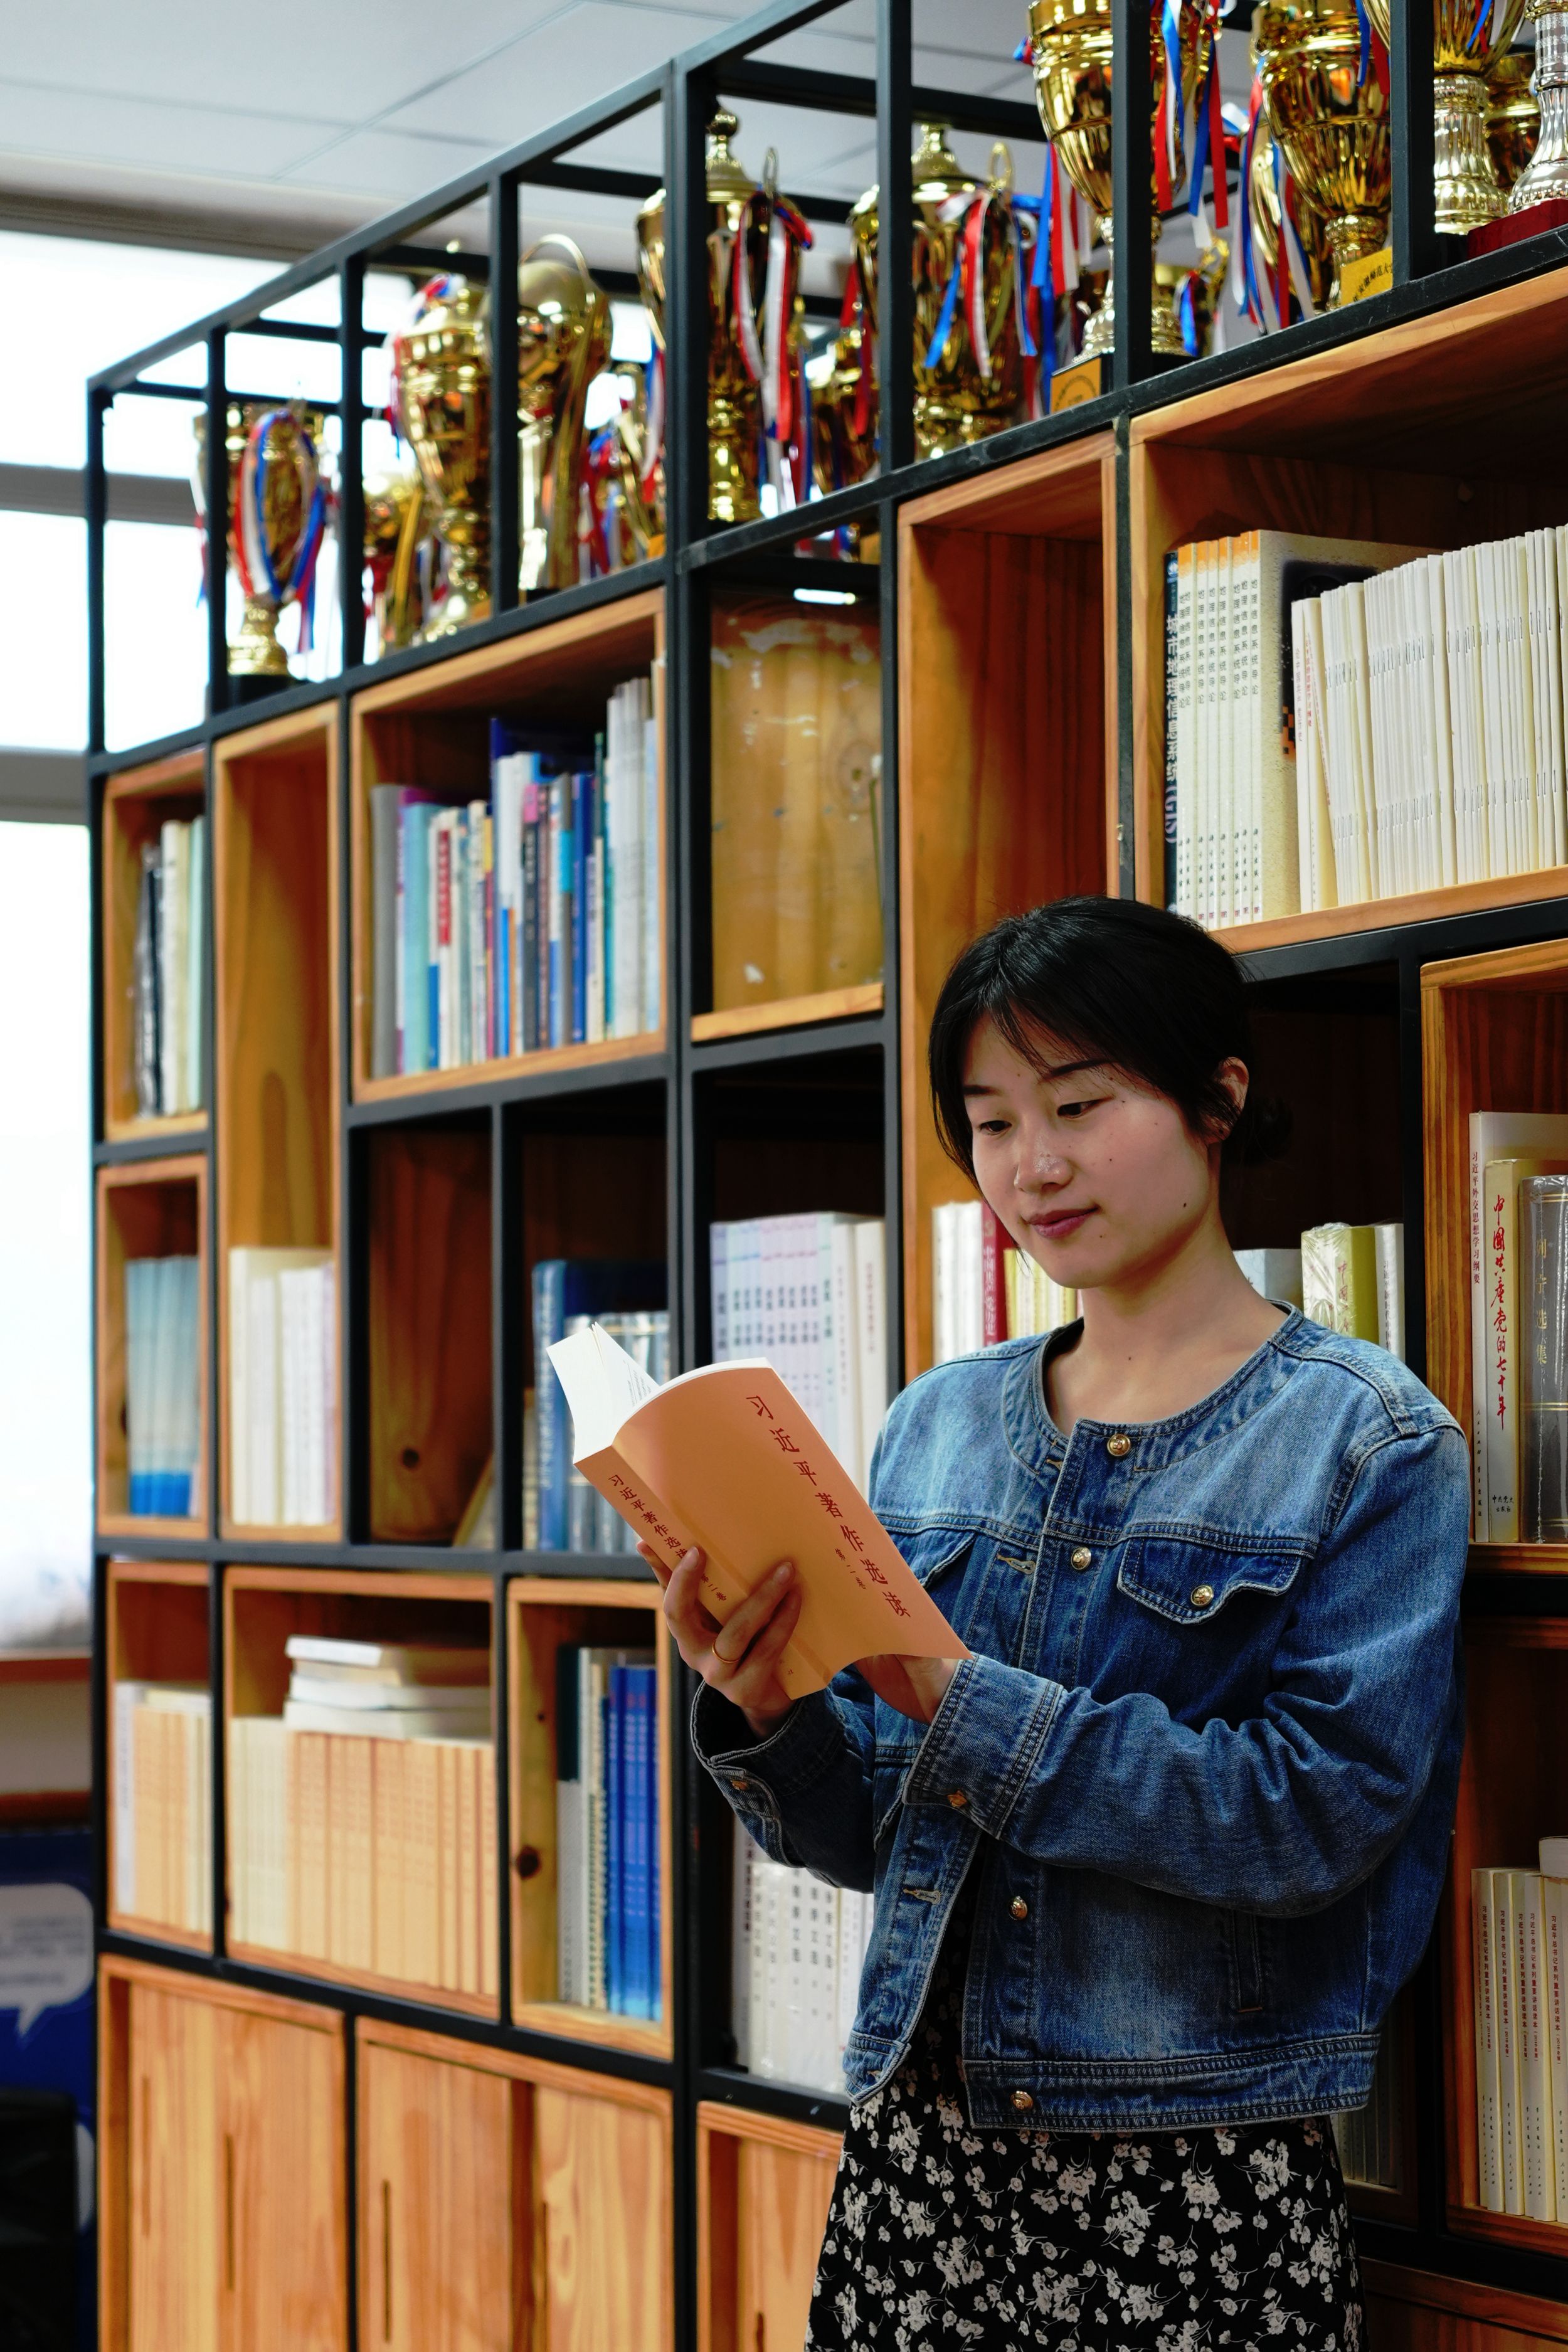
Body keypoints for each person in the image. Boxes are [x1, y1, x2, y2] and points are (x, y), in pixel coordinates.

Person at [643, 895, 1470, 2351]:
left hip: (1190, 2176)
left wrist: (958, 1702)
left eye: (1079, 1106)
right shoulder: (936, 1424)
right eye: (990, 1123)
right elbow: (879, 1835)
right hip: (915, 2158)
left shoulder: (1367, 1440)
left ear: (1218, 1100)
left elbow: (1311, 1817)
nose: (1031, 1166)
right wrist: (766, 1708)